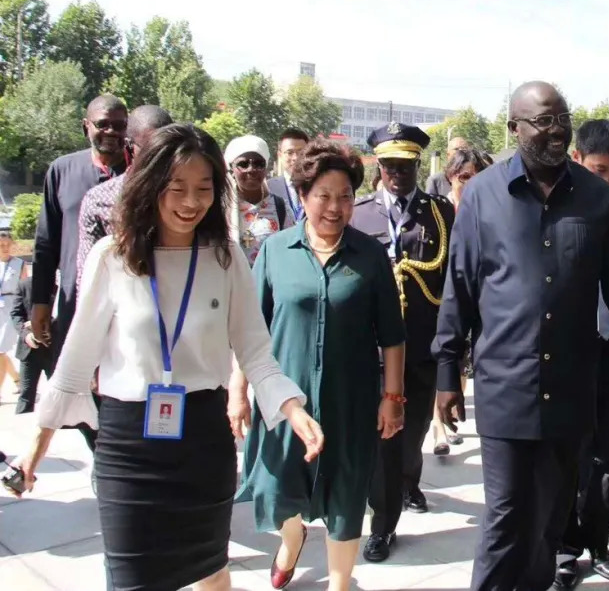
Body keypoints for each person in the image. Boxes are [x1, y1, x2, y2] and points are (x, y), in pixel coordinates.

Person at [15, 123, 324, 591]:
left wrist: (293, 409)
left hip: (203, 440)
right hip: (129, 447)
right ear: (151, 185)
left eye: (204, 188)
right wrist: (34, 451)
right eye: (177, 188)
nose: (191, 202)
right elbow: (74, 364)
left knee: (211, 571)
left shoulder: (225, 257)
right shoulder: (112, 257)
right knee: (132, 579)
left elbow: (257, 353)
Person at [433, 81, 609, 591]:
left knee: (549, 520)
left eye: (563, 119)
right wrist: (447, 371)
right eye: (543, 121)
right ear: (514, 127)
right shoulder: (483, 195)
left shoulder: (599, 198)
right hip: (505, 384)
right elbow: (460, 287)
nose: (556, 130)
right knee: (506, 516)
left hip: (572, 388)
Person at [235, 140, 407, 591]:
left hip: (350, 402)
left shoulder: (370, 255)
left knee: (347, 498)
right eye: (323, 196)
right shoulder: (275, 251)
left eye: (345, 196)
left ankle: (339, 582)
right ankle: (291, 539)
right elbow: (251, 331)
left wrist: (392, 397)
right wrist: (238, 392)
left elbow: (392, 336)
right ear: (303, 195)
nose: (335, 207)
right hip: (283, 403)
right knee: (277, 490)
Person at [349, 121, 455, 563]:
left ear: (417, 165)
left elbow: (453, 283)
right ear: (378, 166)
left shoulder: (440, 213)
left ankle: (409, 480)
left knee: (412, 435)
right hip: (373, 349)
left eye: (406, 165)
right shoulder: (359, 213)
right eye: (390, 165)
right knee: (385, 440)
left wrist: (454, 352)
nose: (397, 173)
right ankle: (383, 524)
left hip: (422, 345)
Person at [553, 119, 609, 587]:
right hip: (568, 347)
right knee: (569, 453)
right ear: (577, 159)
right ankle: (564, 549)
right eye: (599, 170)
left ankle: (598, 540)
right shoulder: (556, 197)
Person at [31, 95, 129, 361]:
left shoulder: (140, 173)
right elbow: (46, 241)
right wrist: (40, 301)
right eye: (102, 124)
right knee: (75, 374)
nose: (111, 131)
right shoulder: (62, 170)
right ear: (86, 126)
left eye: (119, 125)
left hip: (129, 297)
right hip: (75, 298)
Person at [430, 146, 490, 456]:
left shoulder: (490, 209)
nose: (469, 183)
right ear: (451, 177)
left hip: (473, 301)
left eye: (476, 177)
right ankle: (438, 427)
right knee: (444, 360)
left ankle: (452, 412)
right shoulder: (439, 211)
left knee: (463, 365)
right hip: (438, 299)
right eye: (463, 177)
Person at [77, 105, 173, 291]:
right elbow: (87, 276)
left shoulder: (192, 194)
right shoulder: (98, 200)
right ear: (129, 146)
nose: (160, 158)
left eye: (168, 149)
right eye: (151, 150)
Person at [224, 135, 295, 266]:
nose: (251, 169)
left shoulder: (280, 207)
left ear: (266, 168)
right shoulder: (222, 208)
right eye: (243, 164)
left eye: (258, 164)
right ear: (231, 169)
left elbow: (292, 249)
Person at [12, 273, 51, 414]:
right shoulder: (24, 284)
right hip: (29, 350)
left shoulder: (62, 285)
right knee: (26, 397)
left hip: (54, 349)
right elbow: (16, 314)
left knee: (59, 395)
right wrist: (26, 335)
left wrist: (44, 325)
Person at [0, 232, 27, 397]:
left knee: (1, 350)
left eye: (8, 245)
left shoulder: (19, 264)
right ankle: (18, 380)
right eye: (1, 245)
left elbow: (25, 288)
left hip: (11, 308)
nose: (5, 248)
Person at [268, 128, 310, 222]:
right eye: (289, 153)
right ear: (280, 155)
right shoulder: (269, 188)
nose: (295, 158)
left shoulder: (317, 186)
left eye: (301, 152)